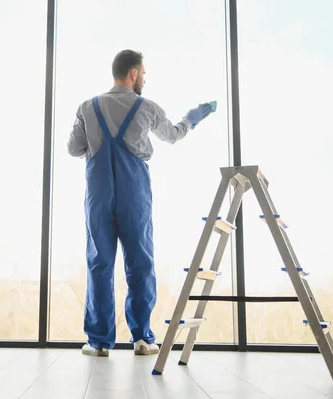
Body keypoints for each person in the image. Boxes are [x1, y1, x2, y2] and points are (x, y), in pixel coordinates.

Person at [67, 49, 214, 357]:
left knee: (100, 264)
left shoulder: (86, 107)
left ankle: (98, 342)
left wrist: (94, 147)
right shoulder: (147, 107)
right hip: (134, 194)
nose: (145, 79)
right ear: (133, 73)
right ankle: (142, 339)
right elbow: (173, 135)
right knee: (140, 263)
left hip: (98, 194)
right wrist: (193, 117)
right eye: (144, 73)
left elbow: (73, 149)